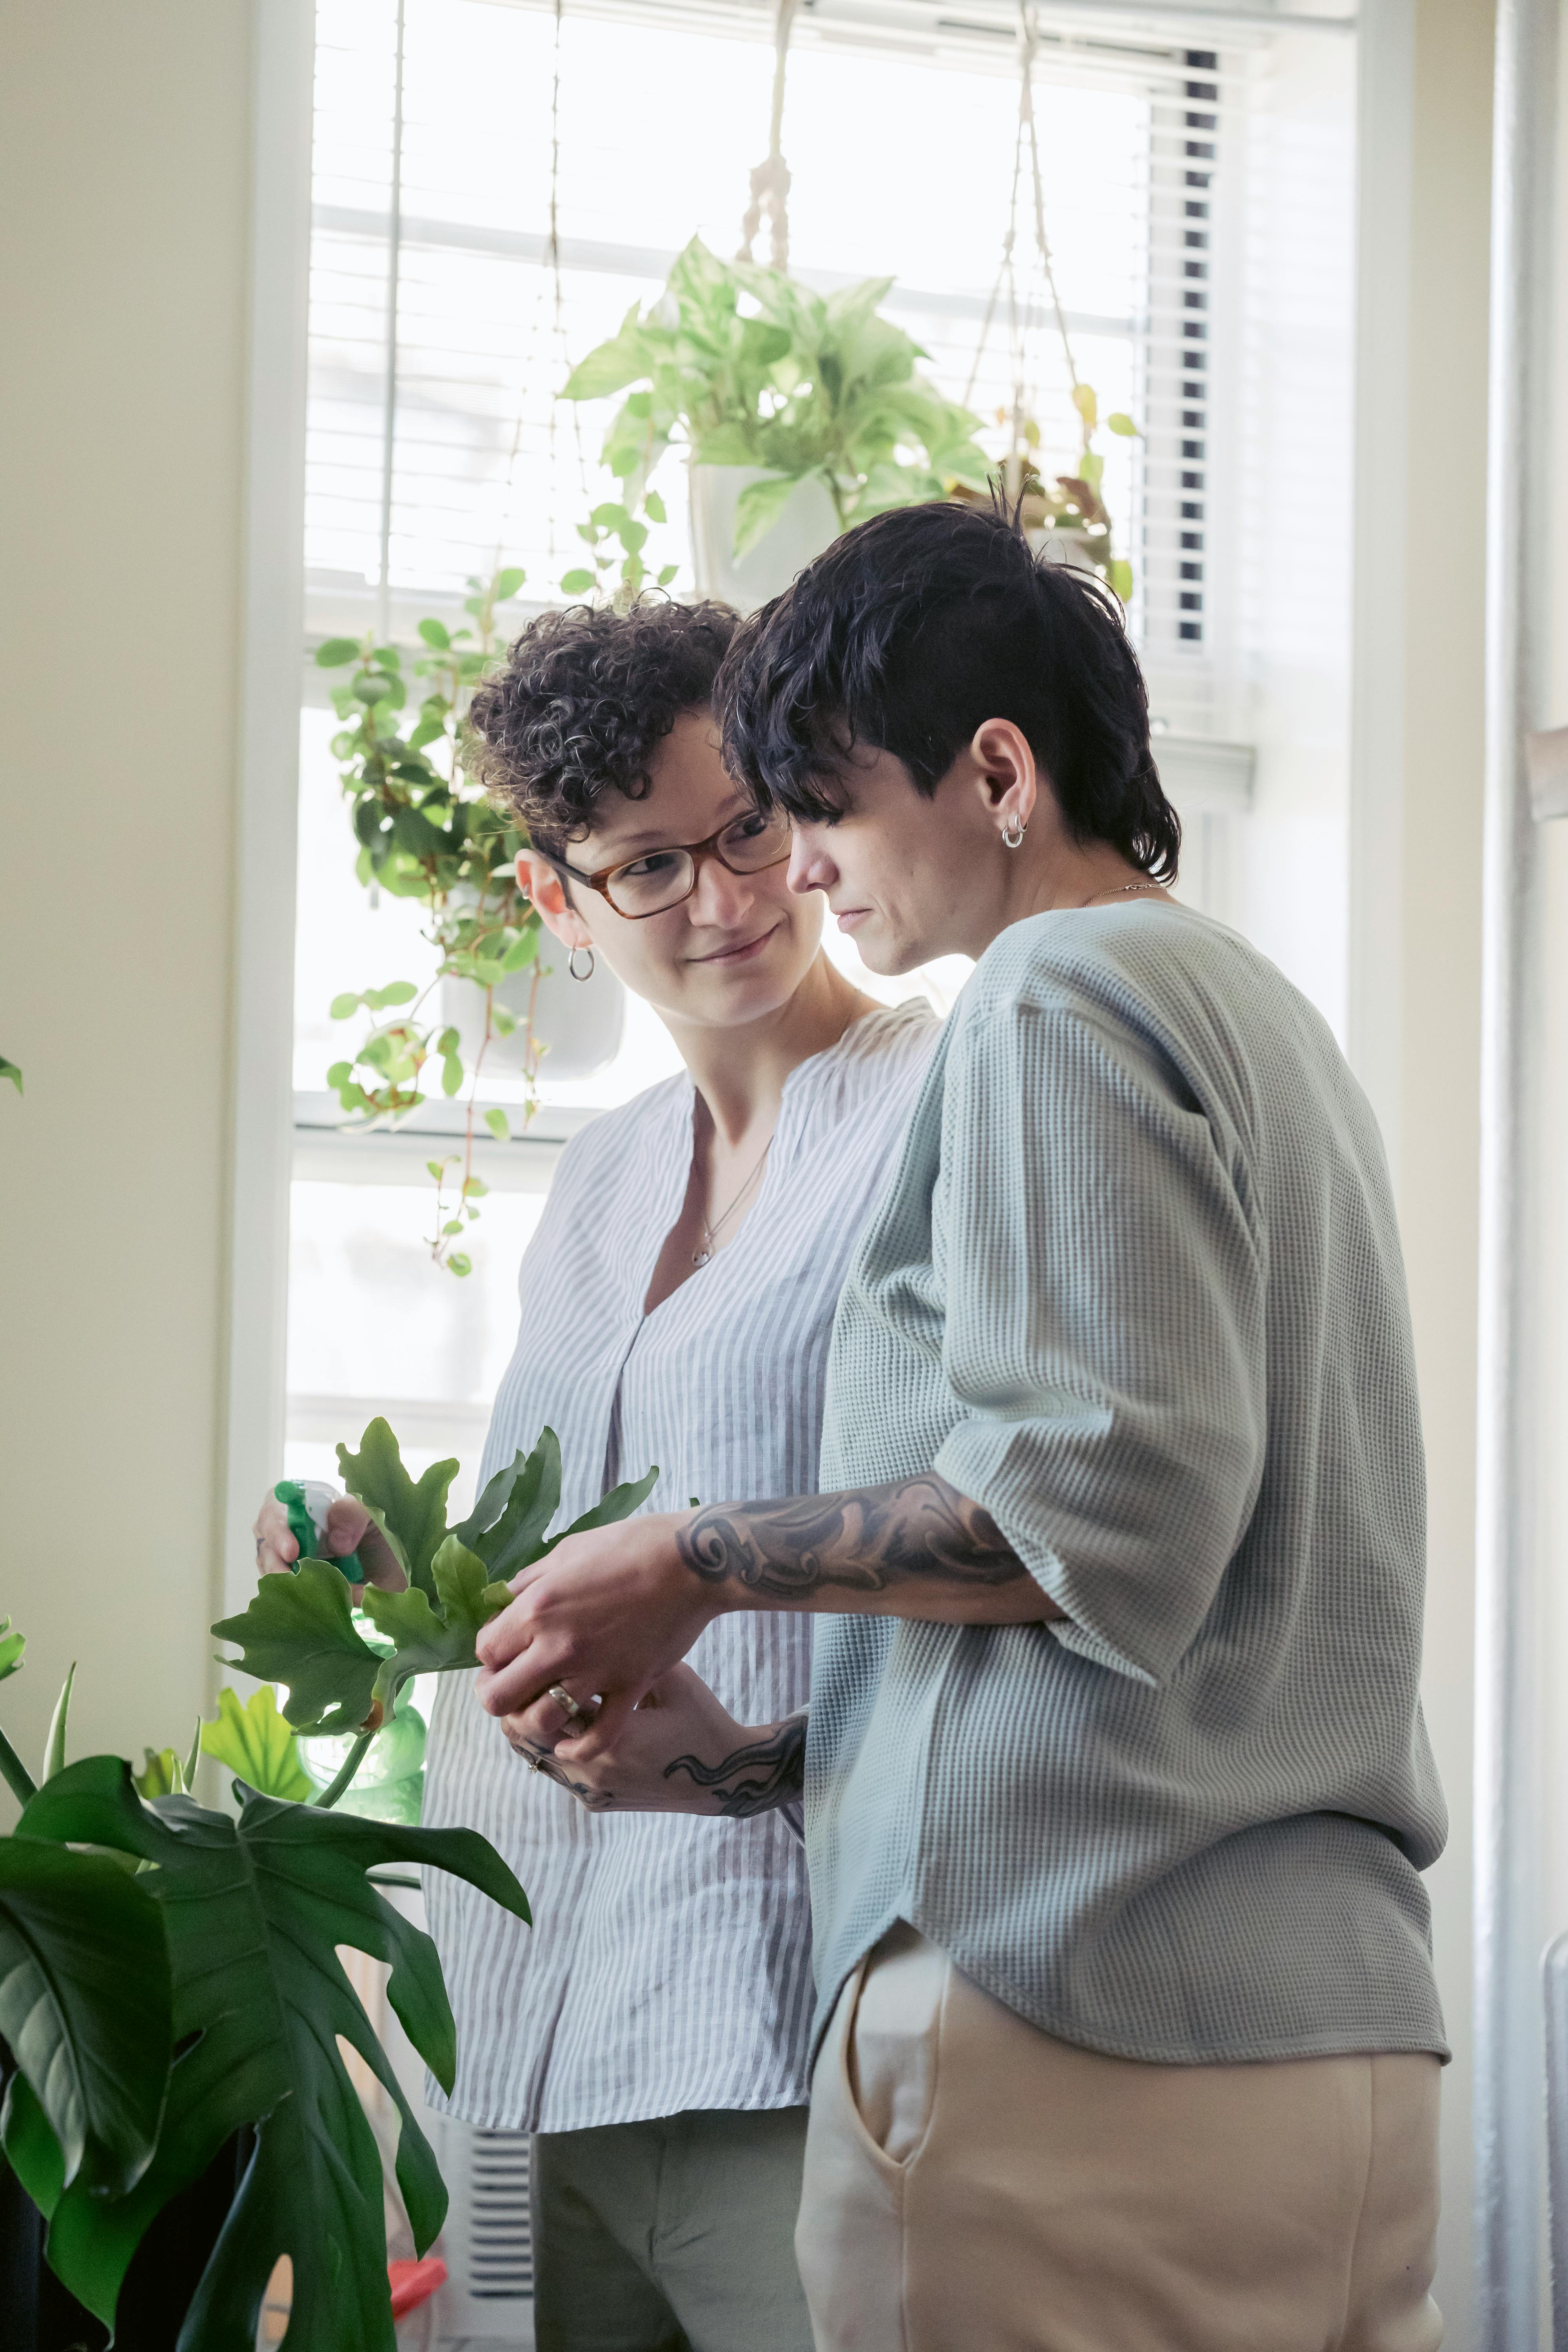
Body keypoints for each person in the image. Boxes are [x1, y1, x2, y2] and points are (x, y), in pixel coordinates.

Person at [473, 502, 1451, 2352]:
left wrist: (688, 1559)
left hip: (1076, 2031)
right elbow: (1166, 1612)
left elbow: (1092, 1516)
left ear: (995, 770)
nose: (806, 877)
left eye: (816, 812)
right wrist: (757, 1765)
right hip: (1313, 2025)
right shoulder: (1255, 1010)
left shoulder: (1052, 993)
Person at [253, 597, 936, 2352]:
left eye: (746, 828)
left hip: (787, 2008)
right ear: (559, 901)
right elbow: (542, 1567)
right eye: (646, 865)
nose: (723, 898)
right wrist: (388, 1586)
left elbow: (1005, 1530)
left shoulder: (944, 1105)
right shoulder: (600, 1180)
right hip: (535, 2003)